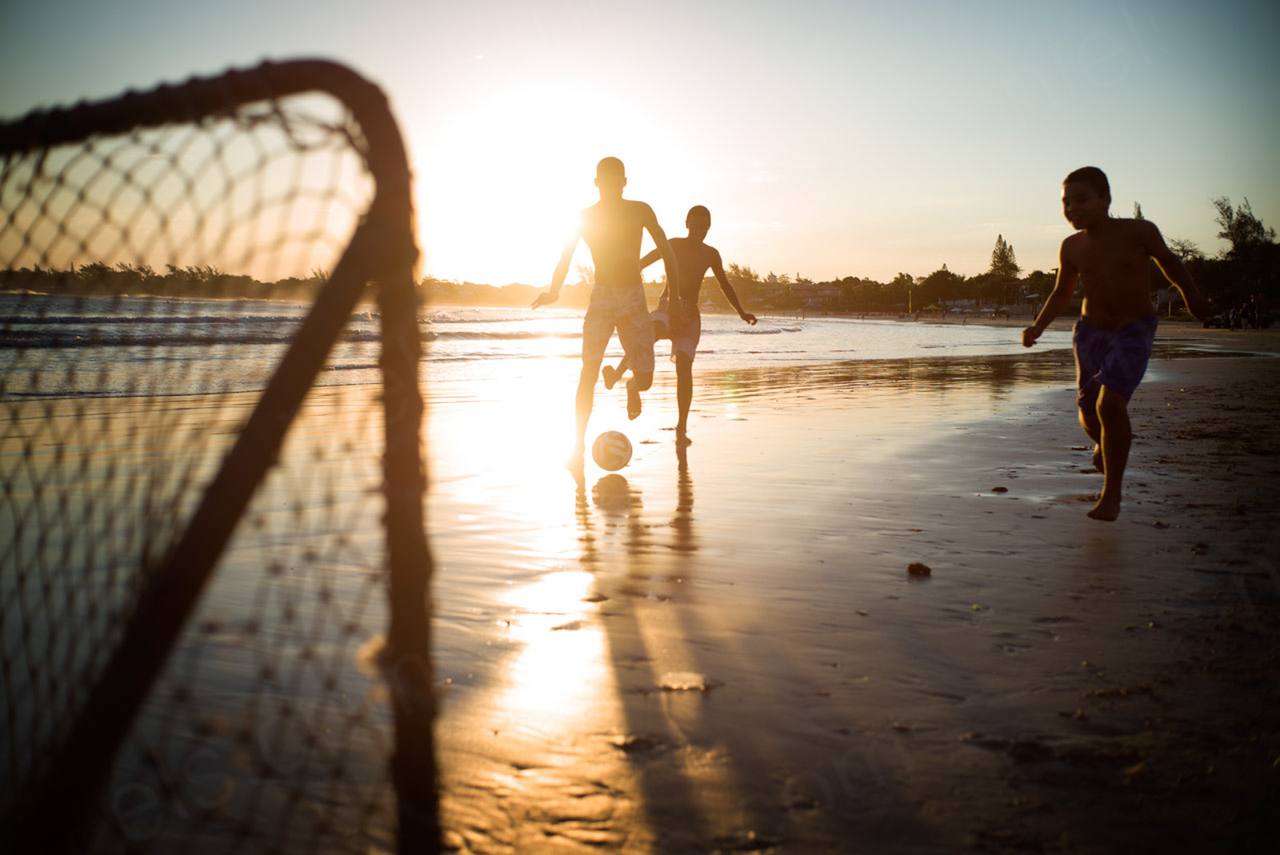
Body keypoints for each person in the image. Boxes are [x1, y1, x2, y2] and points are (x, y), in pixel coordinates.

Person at [1022, 166, 1210, 521]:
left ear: (1106, 199)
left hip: (1132, 331)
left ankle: (1111, 495)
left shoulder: (1139, 231)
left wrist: (1192, 297)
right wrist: (1037, 327)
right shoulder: (1072, 247)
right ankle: (1104, 445)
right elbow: (1062, 293)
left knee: (1110, 406)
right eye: (1066, 202)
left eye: (1082, 199)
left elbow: (1170, 262)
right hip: (1090, 334)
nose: (1072, 208)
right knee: (1088, 413)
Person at [532, 157, 679, 461]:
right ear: (596, 183)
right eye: (605, 181)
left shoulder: (640, 210)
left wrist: (674, 298)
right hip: (601, 298)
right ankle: (577, 445)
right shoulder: (585, 216)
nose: (611, 186)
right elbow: (565, 256)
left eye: (616, 181)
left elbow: (667, 252)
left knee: (646, 380)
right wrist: (554, 290)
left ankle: (631, 386)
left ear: (624, 182)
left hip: (633, 297)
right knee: (588, 371)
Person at [601, 205, 757, 445]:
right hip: (667, 305)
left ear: (709, 227)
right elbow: (641, 263)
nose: (699, 230)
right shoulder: (672, 244)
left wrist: (741, 312)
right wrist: (616, 280)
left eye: (704, 227)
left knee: (684, 368)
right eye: (695, 225)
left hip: (690, 315)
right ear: (687, 224)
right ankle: (617, 375)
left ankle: (681, 428)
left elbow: (724, 284)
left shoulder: (711, 254)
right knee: (651, 334)